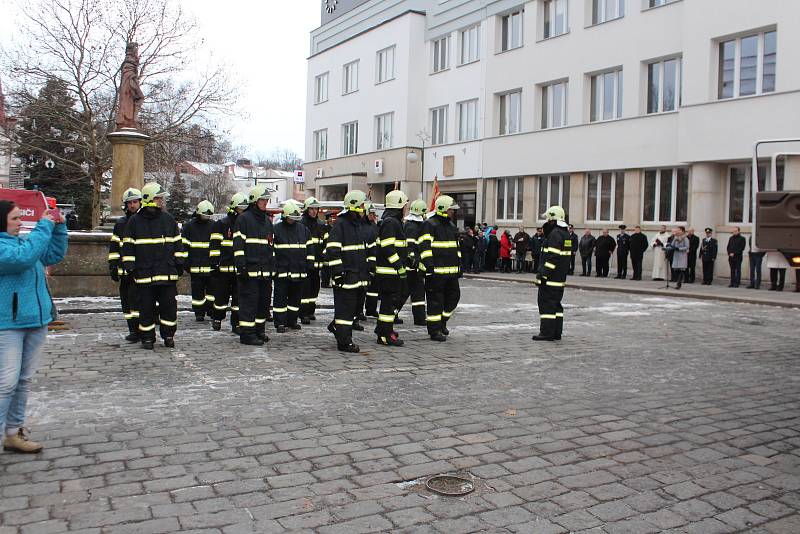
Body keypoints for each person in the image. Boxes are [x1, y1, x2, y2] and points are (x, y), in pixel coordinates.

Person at [0, 200, 67, 453]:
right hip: (8, 325)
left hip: (35, 321)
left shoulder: (22, 242)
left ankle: (13, 432)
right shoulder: (8, 248)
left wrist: (59, 228)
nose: (20, 223)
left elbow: (52, 254)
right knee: (5, 383)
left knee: (23, 381)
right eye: (15, 219)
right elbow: (24, 259)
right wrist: (44, 225)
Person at [122, 182, 183, 350]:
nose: (161, 201)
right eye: (158, 198)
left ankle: (168, 335)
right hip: (144, 276)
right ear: (149, 199)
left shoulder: (168, 220)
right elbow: (127, 246)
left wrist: (179, 263)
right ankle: (147, 338)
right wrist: (130, 267)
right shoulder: (134, 222)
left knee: (169, 309)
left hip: (166, 276)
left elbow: (178, 244)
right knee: (146, 309)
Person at [325, 190, 370, 352]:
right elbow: (332, 250)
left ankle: (337, 327)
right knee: (345, 310)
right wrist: (338, 272)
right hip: (346, 277)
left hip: (357, 277)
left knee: (352, 309)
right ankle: (344, 342)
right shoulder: (341, 224)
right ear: (355, 207)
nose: (364, 208)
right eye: (362, 205)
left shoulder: (357, 225)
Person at [233, 184, 274, 346]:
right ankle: (247, 334)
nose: (265, 202)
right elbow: (238, 246)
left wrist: (273, 267)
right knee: (249, 304)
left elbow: (271, 247)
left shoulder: (266, 221)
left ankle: (259, 330)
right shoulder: (243, 219)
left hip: (265, 272)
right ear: (254, 201)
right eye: (262, 200)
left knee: (263, 303)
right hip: (249, 272)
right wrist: (241, 267)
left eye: (266, 200)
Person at [418, 195, 462, 342]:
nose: (453, 212)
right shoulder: (430, 224)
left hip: (451, 273)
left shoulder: (452, 226)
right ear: (443, 209)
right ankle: (434, 330)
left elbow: (457, 249)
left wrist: (459, 266)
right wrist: (429, 266)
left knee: (454, 298)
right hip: (435, 272)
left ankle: (442, 322)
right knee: (435, 302)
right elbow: (424, 247)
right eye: (451, 209)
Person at [209, 193, 248, 334]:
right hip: (223, 269)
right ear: (234, 208)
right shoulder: (222, 224)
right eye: (240, 208)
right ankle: (217, 318)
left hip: (238, 269)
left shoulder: (245, 225)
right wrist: (214, 264)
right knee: (220, 297)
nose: (243, 211)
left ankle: (236, 323)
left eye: (245, 208)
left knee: (238, 299)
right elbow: (214, 246)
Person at [374, 190, 409, 346]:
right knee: (388, 305)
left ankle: (384, 329)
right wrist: (399, 266)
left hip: (390, 272)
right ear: (399, 205)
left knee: (389, 304)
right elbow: (388, 248)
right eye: (404, 205)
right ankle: (385, 335)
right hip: (389, 272)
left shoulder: (392, 222)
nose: (406, 209)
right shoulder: (391, 222)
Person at [272, 200, 311, 333]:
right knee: (280, 299)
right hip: (282, 272)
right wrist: (275, 268)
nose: (292, 220)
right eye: (290, 218)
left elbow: (309, 248)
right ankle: (280, 323)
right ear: (285, 216)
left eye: (295, 218)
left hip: (299, 272)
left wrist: (309, 265)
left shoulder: (303, 229)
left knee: (295, 300)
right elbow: (271, 251)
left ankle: (292, 320)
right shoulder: (276, 229)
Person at [108, 188, 141, 342]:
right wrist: (113, 266)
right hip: (124, 271)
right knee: (126, 302)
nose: (132, 205)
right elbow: (114, 247)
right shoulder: (120, 224)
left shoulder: (144, 222)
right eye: (130, 203)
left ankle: (142, 328)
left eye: (135, 202)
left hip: (140, 271)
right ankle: (133, 330)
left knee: (139, 302)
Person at [533, 205, 570, 341]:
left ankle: (547, 333)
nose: (547, 222)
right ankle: (556, 332)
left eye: (548, 219)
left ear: (553, 219)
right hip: (560, 278)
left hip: (550, 279)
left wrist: (543, 274)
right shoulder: (565, 234)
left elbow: (552, 258)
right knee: (556, 306)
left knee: (546, 305)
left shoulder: (555, 234)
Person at [182, 200, 216, 322]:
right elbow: (184, 246)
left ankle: (211, 310)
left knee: (212, 292)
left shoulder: (213, 225)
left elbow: (217, 246)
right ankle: (199, 312)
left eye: (208, 216)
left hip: (210, 266)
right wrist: (185, 263)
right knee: (197, 292)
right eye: (205, 215)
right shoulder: (189, 227)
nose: (206, 217)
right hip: (195, 266)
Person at [300, 197, 327, 324]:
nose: (314, 211)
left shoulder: (321, 225)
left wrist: (324, 255)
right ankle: (303, 313)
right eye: (311, 209)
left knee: (314, 289)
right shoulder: (301, 224)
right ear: (306, 209)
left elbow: (326, 243)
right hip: (304, 264)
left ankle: (311, 311)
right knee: (305, 289)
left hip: (317, 264)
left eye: (316, 209)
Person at [402, 199, 427, 325]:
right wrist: (414, 261)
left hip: (413, 267)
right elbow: (410, 247)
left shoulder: (411, 225)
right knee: (405, 292)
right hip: (411, 267)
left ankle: (420, 318)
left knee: (417, 293)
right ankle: (392, 313)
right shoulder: (412, 226)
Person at [359, 202, 379, 324]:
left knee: (373, 289)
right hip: (363, 263)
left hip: (374, 261)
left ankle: (371, 309)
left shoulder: (375, 226)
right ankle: (359, 311)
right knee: (361, 290)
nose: (373, 216)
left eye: (373, 214)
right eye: (370, 213)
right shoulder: (362, 227)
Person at [320, 212, 334, 288]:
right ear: (327, 219)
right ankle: (325, 282)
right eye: (330, 218)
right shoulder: (326, 228)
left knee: (328, 268)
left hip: (328, 250)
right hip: (325, 251)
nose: (331, 219)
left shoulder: (331, 228)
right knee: (326, 268)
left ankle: (326, 282)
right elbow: (325, 239)